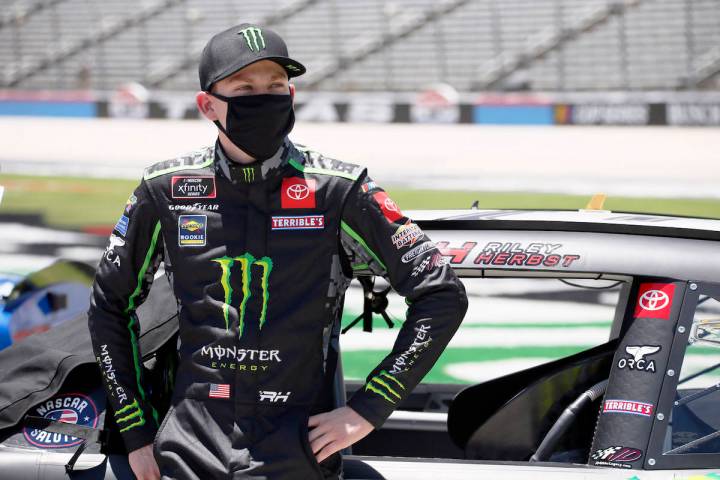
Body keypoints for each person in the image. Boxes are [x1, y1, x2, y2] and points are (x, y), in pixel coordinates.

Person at [88, 23, 468, 480]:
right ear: (207, 104)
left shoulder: (338, 190)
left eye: (275, 86)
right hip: (185, 454)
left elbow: (441, 294)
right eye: (245, 87)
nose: (263, 97)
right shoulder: (165, 190)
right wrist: (137, 432)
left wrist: (370, 408)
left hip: (299, 454)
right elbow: (110, 304)